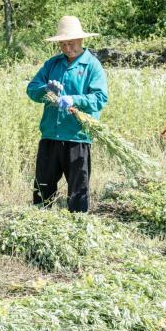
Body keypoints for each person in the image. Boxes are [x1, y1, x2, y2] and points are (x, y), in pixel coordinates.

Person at [26, 16, 108, 212]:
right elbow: (32, 89)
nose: (66, 48)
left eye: (70, 43)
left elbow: (100, 98)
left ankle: (78, 227)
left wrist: (74, 100)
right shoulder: (52, 64)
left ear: (81, 40)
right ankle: (40, 224)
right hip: (50, 135)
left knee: (78, 192)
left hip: (77, 137)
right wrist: (46, 89)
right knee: (43, 190)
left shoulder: (92, 66)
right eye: (62, 44)